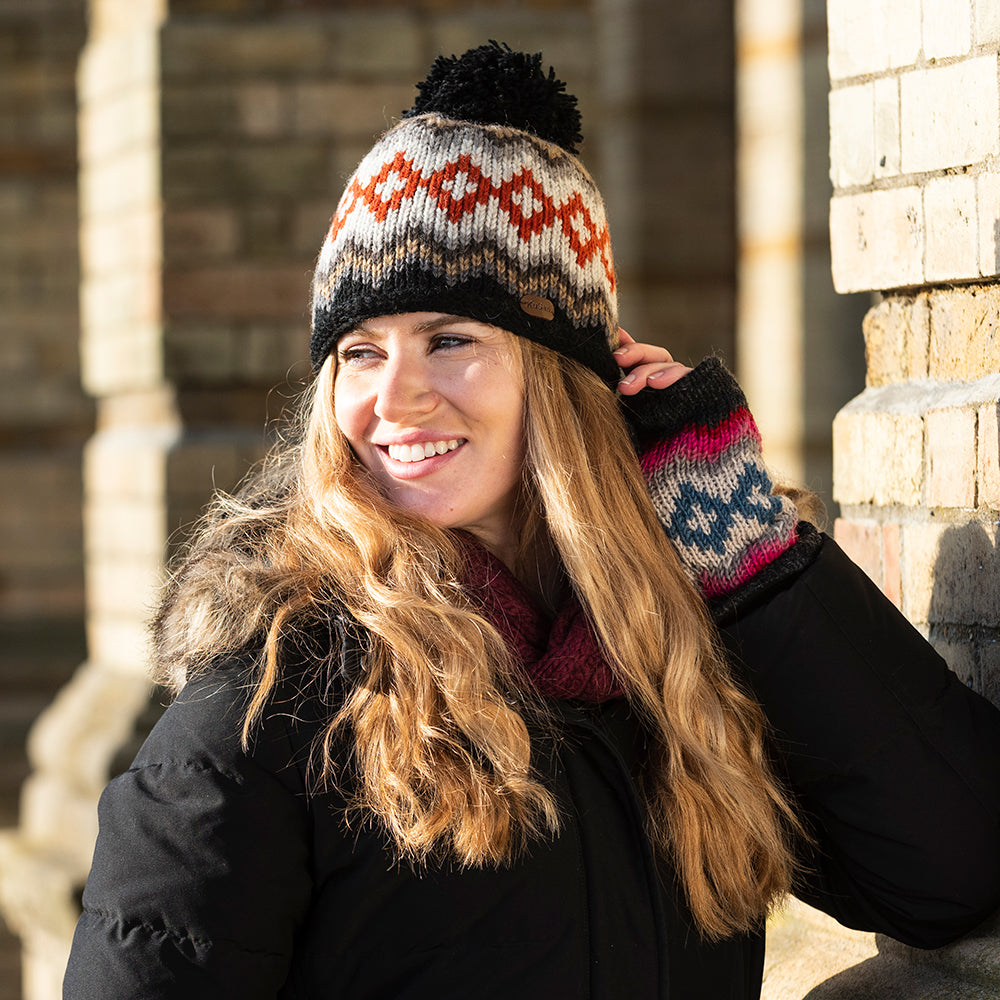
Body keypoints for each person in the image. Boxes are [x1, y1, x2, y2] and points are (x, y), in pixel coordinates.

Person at [63, 43, 1000, 1000]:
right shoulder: (273, 705)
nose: (397, 396)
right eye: (359, 351)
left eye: (451, 340)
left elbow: (945, 873)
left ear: (562, 379)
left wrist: (743, 548)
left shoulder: (674, 664)